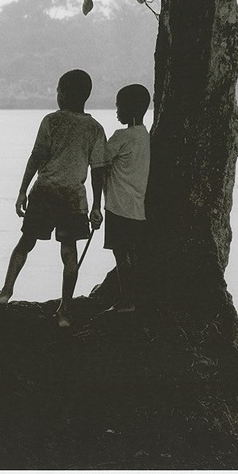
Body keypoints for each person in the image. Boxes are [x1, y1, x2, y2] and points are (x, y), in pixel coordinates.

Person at [0, 69, 108, 328]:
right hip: (74, 196)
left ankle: (5, 291)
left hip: (45, 191)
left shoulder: (51, 121)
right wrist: (97, 206)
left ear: (62, 93)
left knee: (26, 242)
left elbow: (36, 157)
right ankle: (64, 310)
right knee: (69, 252)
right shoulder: (95, 129)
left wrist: (21, 190)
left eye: (58, 90)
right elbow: (98, 172)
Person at [102, 84, 151, 313]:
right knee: (133, 254)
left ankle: (126, 300)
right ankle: (134, 298)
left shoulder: (121, 137)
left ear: (129, 109)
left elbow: (100, 159)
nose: (116, 111)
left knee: (121, 255)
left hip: (118, 207)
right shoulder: (144, 135)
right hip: (137, 207)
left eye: (119, 107)